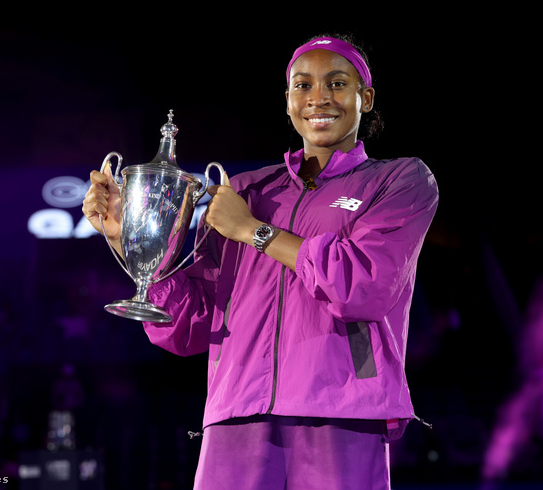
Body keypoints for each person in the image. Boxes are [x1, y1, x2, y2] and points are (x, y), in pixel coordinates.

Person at [82, 33, 439, 490]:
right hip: (235, 414)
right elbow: (188, 326)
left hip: (342, 413)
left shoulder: (398, 179)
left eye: (336, 83)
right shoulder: (245, 190)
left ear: (364, 98)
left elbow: (362, 288)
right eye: (303, 86)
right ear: (288, 100)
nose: (318, 99)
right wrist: (124, 237)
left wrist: (254, 231)